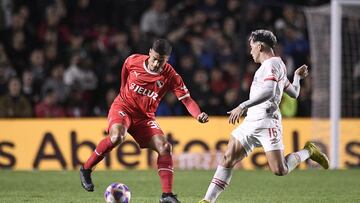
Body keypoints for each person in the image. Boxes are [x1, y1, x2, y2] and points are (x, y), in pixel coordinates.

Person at [199, 30, 329, 203]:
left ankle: (308, 151)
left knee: (280, 169)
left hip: (268, 123)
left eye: (251, 46)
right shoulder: (276, 65)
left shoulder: (271, 65)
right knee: (228, 158)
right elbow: (295, 93)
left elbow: (269, 92)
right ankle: (207, 201)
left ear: (259, 46)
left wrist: (242, 105)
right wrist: (297, 77)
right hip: (252, 121)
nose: (250, 50)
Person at [80, 39, 209, 203]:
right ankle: (86, 169)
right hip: (123, 107)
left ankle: (167, 195)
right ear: (149, 52)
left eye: (161, 61)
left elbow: (187, 100)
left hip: (145, 117)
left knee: (165, 147)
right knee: (117, 137)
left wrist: (198, 115)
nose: (156, 63)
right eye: (154, 58)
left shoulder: (171, 76)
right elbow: (124, 77)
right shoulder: (133, 60)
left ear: (167, 59)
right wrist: (123, 95)